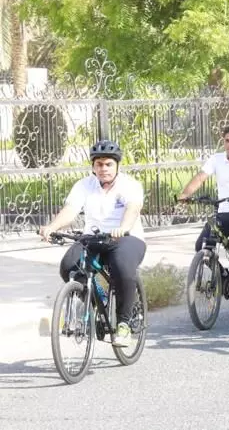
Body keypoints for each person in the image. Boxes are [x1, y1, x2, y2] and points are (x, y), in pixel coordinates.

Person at [40, 140, 146, 347]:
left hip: (126, 237)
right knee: (68, 267)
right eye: (99, 164)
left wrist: (123, 227)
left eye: (108, 164)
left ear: (117, 165)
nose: (103, 168)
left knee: (123, 270)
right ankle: (98, 300)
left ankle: (123, 325)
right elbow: (70, 210)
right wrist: (53, 226)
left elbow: (133, 208)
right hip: (93, 237)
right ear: (93, 166)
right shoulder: (84, 185)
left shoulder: (130, 185)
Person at [177, 124, 229, 290]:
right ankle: (222, 275)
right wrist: (185, 194)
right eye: (227, 141)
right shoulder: (216, 159)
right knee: (201, 245)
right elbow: (201, 177)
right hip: (225, 212)